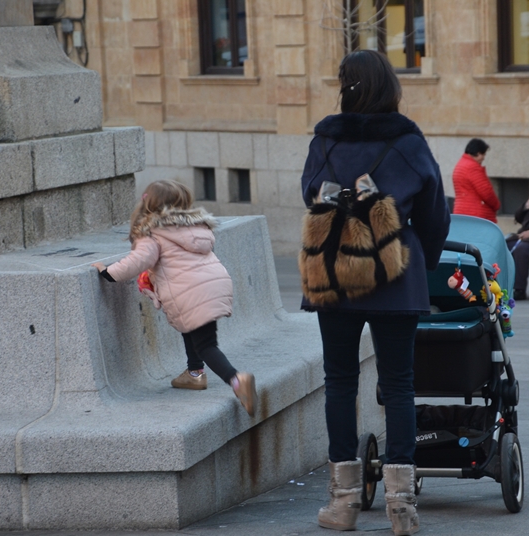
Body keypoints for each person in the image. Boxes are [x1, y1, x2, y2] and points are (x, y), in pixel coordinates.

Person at [300, 50, 450, 535]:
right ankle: (401, 509)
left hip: (336, 275)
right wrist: (418, 260)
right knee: (400, 385)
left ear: (345, 86)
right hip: (394, 272)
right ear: (390, 87)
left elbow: (309, 192)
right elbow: (433, 213)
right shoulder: (407, 140)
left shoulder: (325, 138)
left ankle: (343, 505)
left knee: (340, 381)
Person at [91, 180, 259, 416]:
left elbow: (137, 261)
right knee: (192, 327)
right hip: (214, 285)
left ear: (148, 202)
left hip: (189, 290)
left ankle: (237, 380)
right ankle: (194, 374)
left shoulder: (153, 232)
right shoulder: (195, 228)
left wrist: (107, 272)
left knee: (206, 344)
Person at [452, 138, 500, 222]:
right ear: (478, 153)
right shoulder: (473, 168)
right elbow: (486, 192)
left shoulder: (460, 165)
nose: (484, 158)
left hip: (461, 211)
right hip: (477, 215)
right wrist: (496, 205)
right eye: (483, 154)